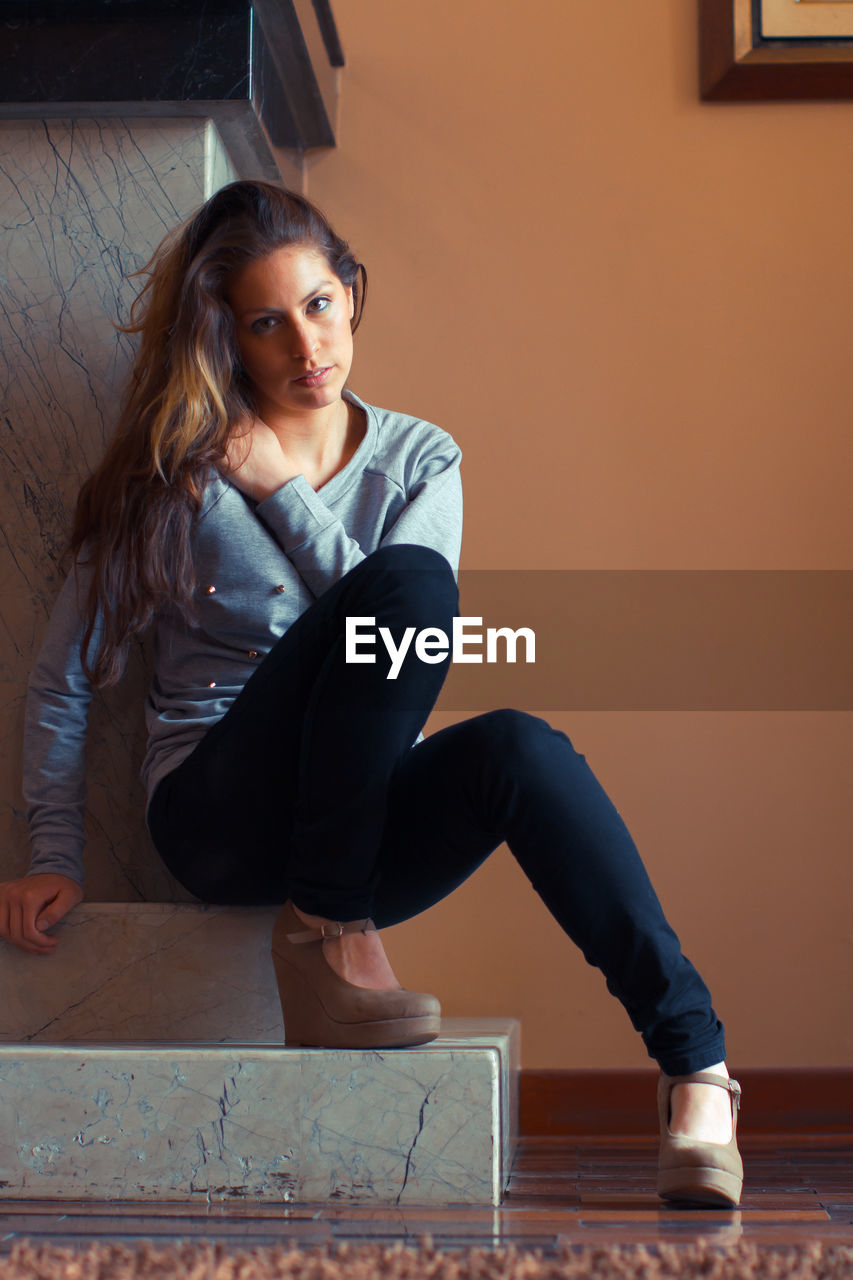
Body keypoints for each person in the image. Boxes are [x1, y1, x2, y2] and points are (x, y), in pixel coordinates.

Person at [0, 180, 743, 1209]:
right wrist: (51, 852)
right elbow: (63, 673)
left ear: (351, 294)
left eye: (318, 305)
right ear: (230, 339)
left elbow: (401, 625)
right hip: (219, 815)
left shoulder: (418, 458)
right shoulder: (172, 472)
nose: (306, 345)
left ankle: (698, 1072)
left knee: (517, 741)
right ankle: (330, 934)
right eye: (267, 322)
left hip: (348, 825)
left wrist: (285, 494)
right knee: (405, 586)